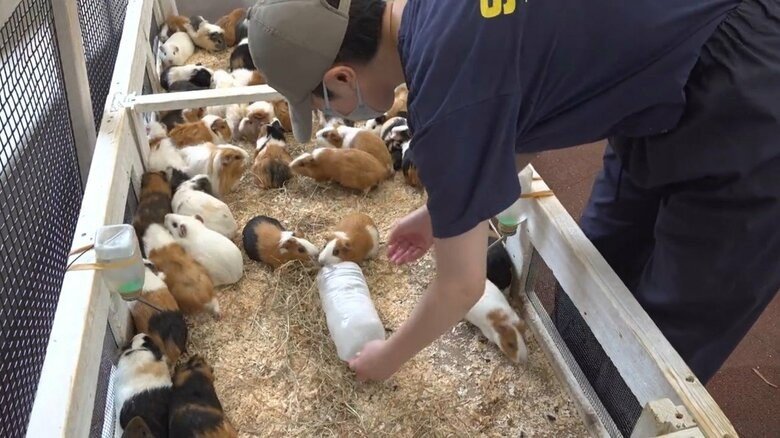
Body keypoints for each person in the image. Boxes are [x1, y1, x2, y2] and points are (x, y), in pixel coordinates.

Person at [247, 0, 780, 388]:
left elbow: (460, 287)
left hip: (748, 84)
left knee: (669, 331)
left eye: (326, 105)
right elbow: (510, 122)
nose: (339, 116)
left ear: (341, 76)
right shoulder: (429, 18)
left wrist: (385, 358)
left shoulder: (443, 91)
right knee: (595, 265)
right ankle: (585, 383)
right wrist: (439, 214)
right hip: (659, 73)